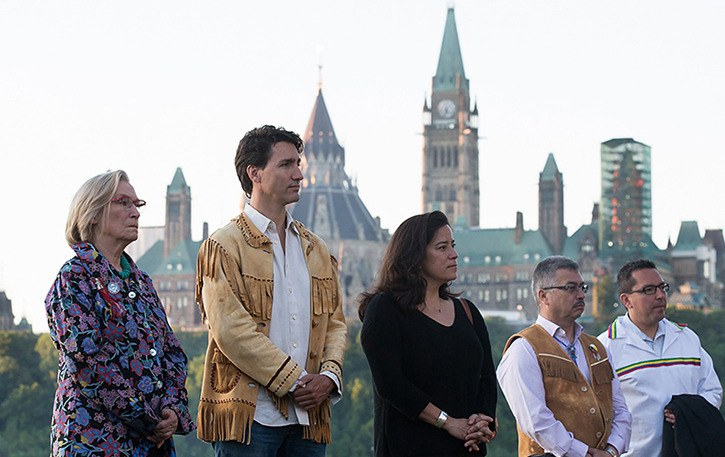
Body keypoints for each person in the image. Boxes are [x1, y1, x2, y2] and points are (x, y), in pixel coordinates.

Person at [195, 125, 347, 456]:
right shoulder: (223, 245)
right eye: (286, 165)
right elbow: (230, 330)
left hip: (308, 416)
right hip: (252, 418)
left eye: (298, 164)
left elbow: (335, 323)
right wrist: (296, 381)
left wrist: (328, 378)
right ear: (255, 174)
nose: (299, 174)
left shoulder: (316, 248)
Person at [45, 170, 195, 456]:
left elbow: (172, 353)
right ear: (92, 214)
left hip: (152, 444)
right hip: (95, 442)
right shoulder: (74, 278)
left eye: (137, 205)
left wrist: (172, 409)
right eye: (123, 202)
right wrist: (147, 418)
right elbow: (87, 363)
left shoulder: (142, 281)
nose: (135, 213)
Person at [359, 211, 497, 457]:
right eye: (442, 247)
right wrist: (448, 422)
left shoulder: (468, 312)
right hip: (410, 447)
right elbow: (390, 384)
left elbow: (486, 378)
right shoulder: (385, 309)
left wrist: (482, 421)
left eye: (452, 246)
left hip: (467, 448)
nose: (453, 254)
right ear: (415, 256)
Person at [497, 256, 631, 457]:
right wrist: (585, 453)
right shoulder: (523, 349)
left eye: (582, 287)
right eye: (570, 288)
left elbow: (620, 411)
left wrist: (611, 451)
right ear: (543, 296)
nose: (580, 295)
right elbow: (536, 421)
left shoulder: (597, 347)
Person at [598, 258, 722, 456]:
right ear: (626, 300)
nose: (660, 295)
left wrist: (688, 413)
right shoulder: (605, 348)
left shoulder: (687, 339)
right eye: (648, 290)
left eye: (662, 287)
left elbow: (712, 389)